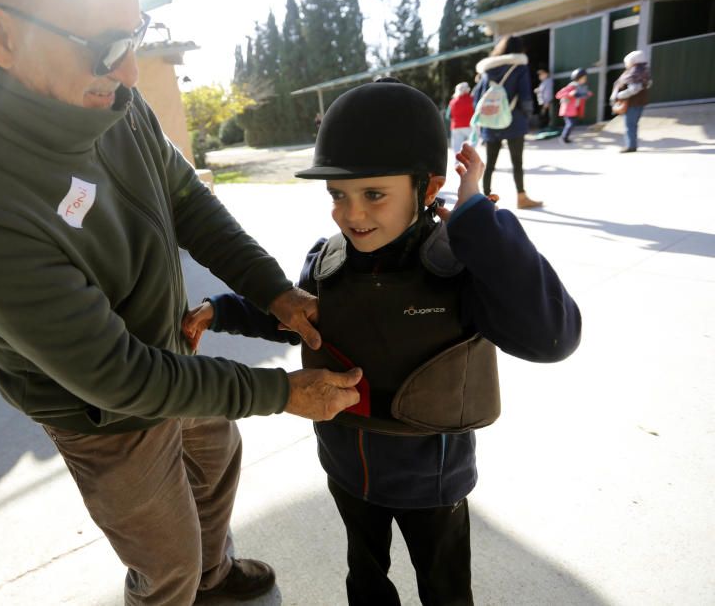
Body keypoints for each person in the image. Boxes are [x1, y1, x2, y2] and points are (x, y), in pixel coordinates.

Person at [0, 0, 362, 604]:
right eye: (103, 46)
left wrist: (274, 290)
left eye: (134, 34)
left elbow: (185, 199)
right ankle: (183, 584)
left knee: (215, 464)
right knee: (165, 558)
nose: (126, 70)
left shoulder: (106, 91)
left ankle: (216, 578)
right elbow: (115, 377)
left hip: (172, 347)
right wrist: (280, 392)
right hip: (103, 413)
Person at [182, 80, 582, 606]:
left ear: (428, 185)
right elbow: (293, 319)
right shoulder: (328, 261)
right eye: (337, 196)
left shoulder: (461, 265)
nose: (352, 215)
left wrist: (477, 223)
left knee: (445, 589)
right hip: (348, 468)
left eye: (374, 194)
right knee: (365, 580)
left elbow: (550, 336)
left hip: (432, 482)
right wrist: (222, 311)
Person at [473, 35, 542, 209]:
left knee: (489, 164)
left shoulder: (487, 70)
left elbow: (477, 98)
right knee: (517, 162)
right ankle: (521, 197)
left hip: (491, 121)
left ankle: (487, 199)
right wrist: (527, 116)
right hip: (514, 119)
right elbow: (525, 95)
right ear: (519, 49)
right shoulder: (519, 67)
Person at [610, 50, 652, 153]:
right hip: (639, 102)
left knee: (630, 125)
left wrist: (620, 95)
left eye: (627, 62)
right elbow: (649, 83)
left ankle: (630, 146)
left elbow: (634, 89)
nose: (626, 64)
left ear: (633, 61)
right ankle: (631, 144)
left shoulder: (634, 71)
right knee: (633, 124)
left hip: (632, 103)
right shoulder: (644, 70)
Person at [556, 68, 594, 144]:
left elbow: (586, 95)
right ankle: (563, 138)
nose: (584, 80)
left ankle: (565, 138)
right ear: (577, 78)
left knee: (572, 124)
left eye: (585, 78)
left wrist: (588, 94)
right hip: (567, 110)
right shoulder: (571, 86)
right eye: (583, 78)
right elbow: (558, 95)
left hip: (574, 110)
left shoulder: (582, 87)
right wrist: (570, 94)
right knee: (570, 124)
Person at [447, 81, 474, 153]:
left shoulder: (452, 101)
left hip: (456, 126)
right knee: (472, 145)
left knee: (456, 147)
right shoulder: (472, 99)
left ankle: (457, 163)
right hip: (469, 126)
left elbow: (448, 116)